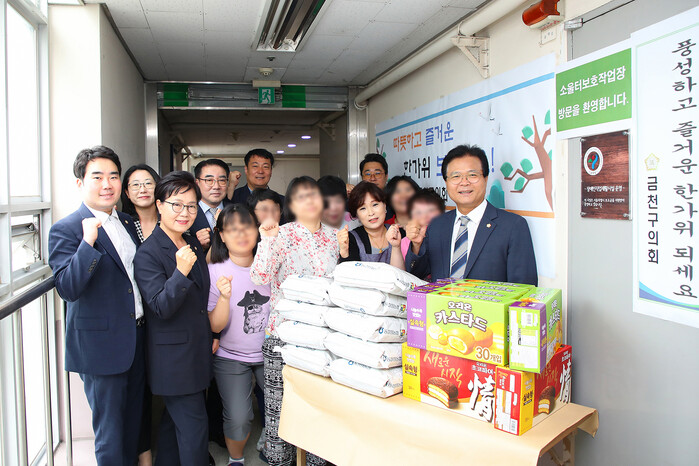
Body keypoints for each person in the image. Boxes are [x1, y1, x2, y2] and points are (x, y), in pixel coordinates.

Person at [48, 146, 145, 466]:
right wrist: (87, 242)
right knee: (109, 432)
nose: (107, 184)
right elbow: (68, 288)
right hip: (101, 346)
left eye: (114, 176)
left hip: (136, 337)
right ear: (80, 183)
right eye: (97, 177)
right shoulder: (66, 228)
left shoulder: (127, 222)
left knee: (132, 424)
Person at [251, 176, 339, 466]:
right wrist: (267, 241)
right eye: (301, 196)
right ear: (291, 204)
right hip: (283, 336)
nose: (309, 200)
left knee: (319, 410)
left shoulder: (333, 236)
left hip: (321, 340)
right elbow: (260, 277)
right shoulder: (281, 234)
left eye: (313, 194)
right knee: (280, 412)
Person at [134, 171, 212, 466]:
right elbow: (160, 307)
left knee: (172, 426)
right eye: (176, 205)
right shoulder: (148, 253)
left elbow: (200, 300)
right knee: (195, 431)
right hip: (174, 360)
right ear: (159, 205)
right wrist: (180, 272)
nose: (185, 213)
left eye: (191, 206)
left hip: (196, 351)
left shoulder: (190, 242)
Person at [406, 144, 538, 285]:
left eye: (472, 175)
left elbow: (524, 286)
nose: (464, 182)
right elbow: (417, 275)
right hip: (442, 300)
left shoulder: (513, 226)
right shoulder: (437, 225)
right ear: (446, 182)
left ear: (485, 178)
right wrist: (416, 246)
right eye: (456, 176)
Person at [207, 204, 271, 466]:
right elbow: (215, 325)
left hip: (271, 354)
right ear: (222, 236)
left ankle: (280, 451)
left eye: (246, 226)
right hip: (230, 355)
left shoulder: (271, 265)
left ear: (257, 230)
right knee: (238, 416)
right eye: (232, 229)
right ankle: (236, 459)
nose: (241, 234)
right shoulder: (214, 270)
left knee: (284, 409)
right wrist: (224, 297)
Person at [120, 163, 161, 466]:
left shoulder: (173, 218)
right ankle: (143, 453)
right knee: (137, 393)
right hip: (135, 319)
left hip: (167, 314)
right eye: (135, 184)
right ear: (126, 192)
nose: (143, 189)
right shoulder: (121, 225)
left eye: (148, 182)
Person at [337, 181, 404, 270]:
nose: (371, 213)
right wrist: (345, 254)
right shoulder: (351, 239)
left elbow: (405, 274)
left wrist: (396, 246)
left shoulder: (399, 233)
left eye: (375, 204)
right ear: (357, 215)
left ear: (384, 206)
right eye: (363, 208)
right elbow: (350, 275)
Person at [192, 159, 231, 250]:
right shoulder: (187, 212)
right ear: (197, 183)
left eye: (222, 180)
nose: (216, 186)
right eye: (209, 180)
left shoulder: (237, 210)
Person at [400, 189, 446, 261]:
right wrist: (415, 246)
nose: (425, 216)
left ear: (442, 212)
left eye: (431, 210)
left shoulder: (449, 236)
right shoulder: (405, 242)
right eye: (418, 212)